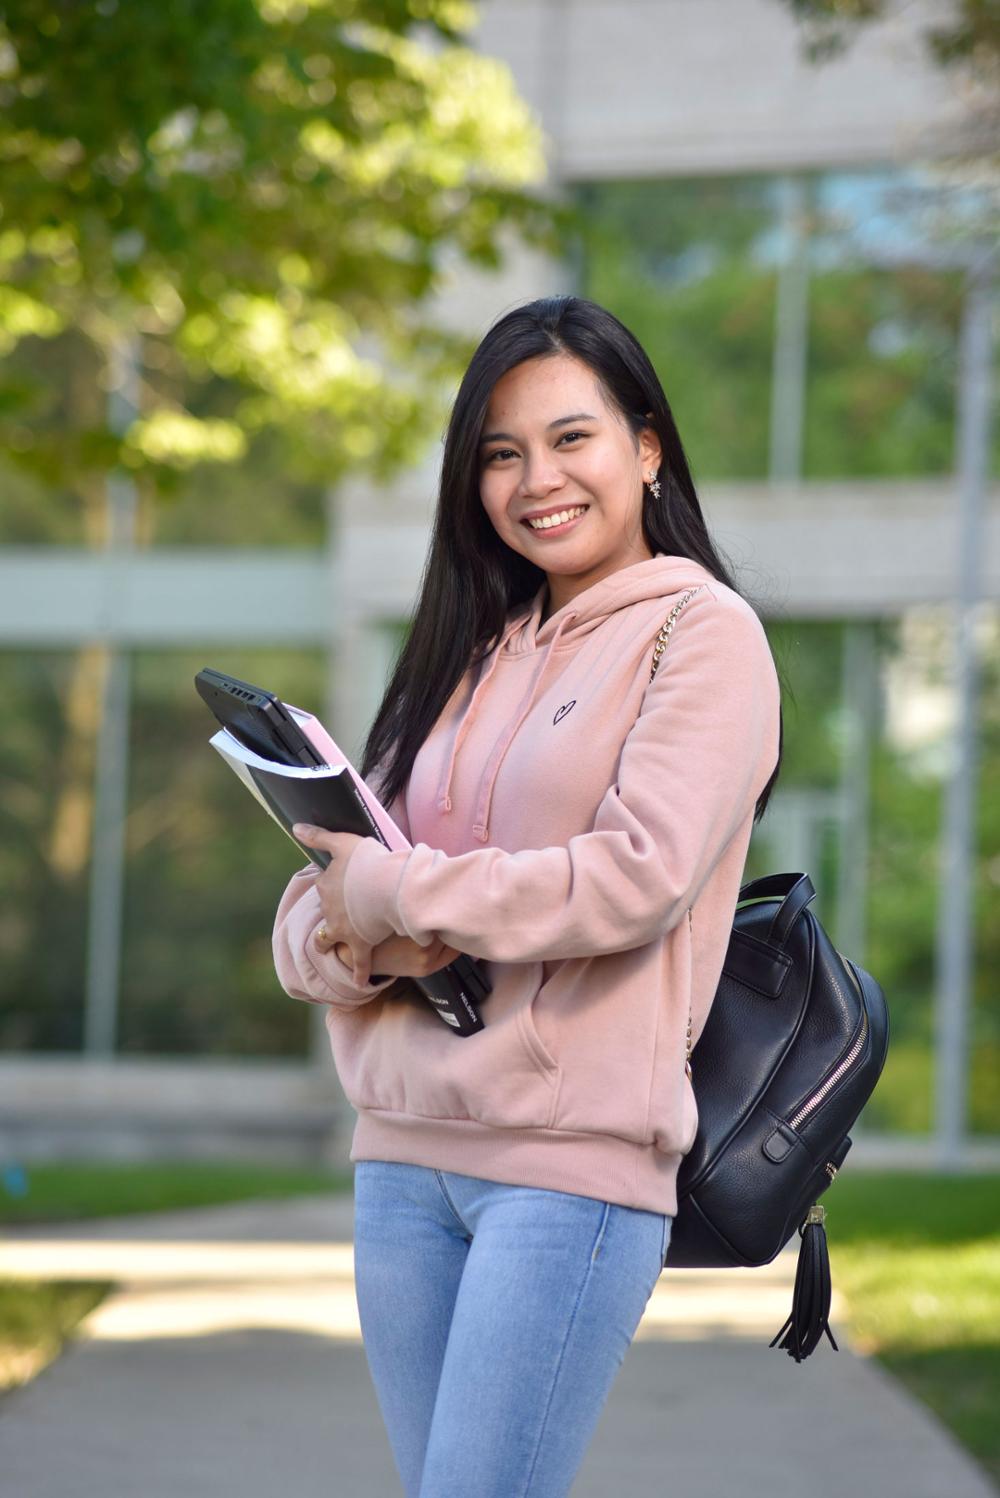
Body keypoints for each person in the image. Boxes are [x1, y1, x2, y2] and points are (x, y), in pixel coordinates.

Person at [272, 295, 784, 1497]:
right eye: (499, 453)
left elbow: (634, 878)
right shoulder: (468, 648)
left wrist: (393, 899)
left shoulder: (703, 635)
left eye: (570, 438)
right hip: (401, 1161)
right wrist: (362, 938)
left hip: (566, 1169)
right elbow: (321, 900)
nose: (534, 479)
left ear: (646, 448)